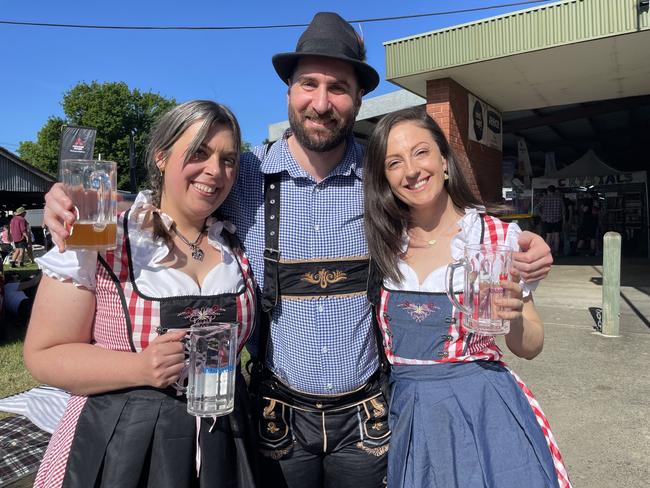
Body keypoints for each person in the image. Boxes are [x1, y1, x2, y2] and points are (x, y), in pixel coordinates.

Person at [42, 12, 553, 488]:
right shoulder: (243, 174)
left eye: (339, 88)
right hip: (276, 419)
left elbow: (439, 215)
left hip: (367, 420)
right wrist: (73, 199)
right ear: (289, 90)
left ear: (357, 98)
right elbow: (176, 198)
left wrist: (520, 243)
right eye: (309, 84)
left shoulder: (381, 178)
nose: (322, 101)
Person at [23, 100, 258, 488]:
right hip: (125, 442)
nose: (215, 171)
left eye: (228, 159)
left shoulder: (237, 239)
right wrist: (138, 368)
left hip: (226, 440)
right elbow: (44, 354)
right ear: (161, 157)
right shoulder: (100, 235)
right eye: (199, 152)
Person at [364, 107, 571, 488]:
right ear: (385, 178)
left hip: (484, 407)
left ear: (444, 160)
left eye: (421, 152)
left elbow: (530, 347)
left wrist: (516, 317)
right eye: (394, 162)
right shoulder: (381, 243)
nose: (411, 170)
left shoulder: (495, 238)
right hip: (409, 410)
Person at [537, 185, 564, 255]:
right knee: (557, 235)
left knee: (548, 235)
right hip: (558, 219)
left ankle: (547, 252)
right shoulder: (559, 198)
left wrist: (542, 216)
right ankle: (556, 252)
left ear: (547, 191)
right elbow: (563, 210)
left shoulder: (544, 198)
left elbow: (537, 208)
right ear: (554, 191)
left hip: (547, 220)